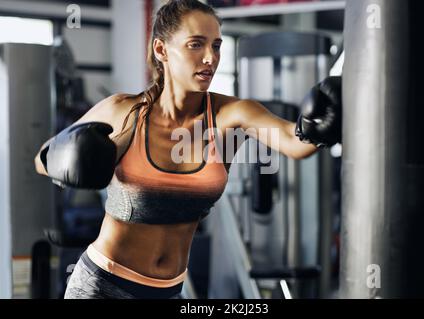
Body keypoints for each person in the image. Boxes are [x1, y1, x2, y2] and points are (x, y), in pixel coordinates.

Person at [34, 0, 341, 299]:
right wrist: (69, 157)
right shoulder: (124, 112)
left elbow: (295, 141)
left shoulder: (231, 115)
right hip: (102, 285)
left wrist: (318, 126)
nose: (210, 57)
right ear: (161, 49)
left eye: (217, 45)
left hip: (169, 291)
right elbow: (42, 158)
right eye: (196, 44)